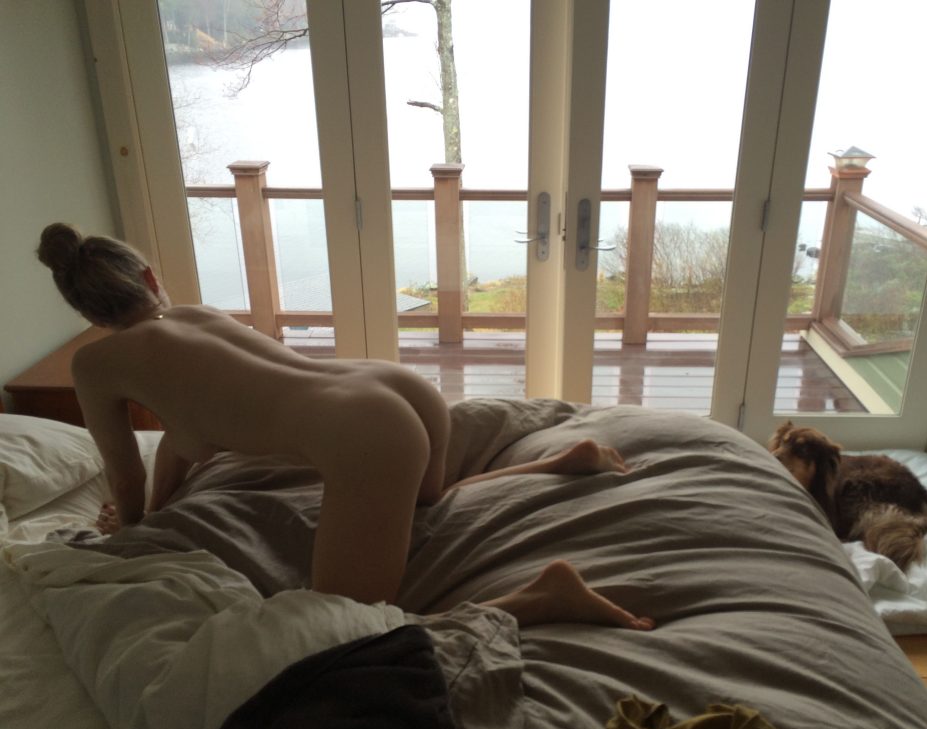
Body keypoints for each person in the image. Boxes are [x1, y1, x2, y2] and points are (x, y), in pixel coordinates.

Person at [37, 223, 654, 631]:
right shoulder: (199, 315)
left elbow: (125, 473)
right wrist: (156, 508)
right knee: (428, 499)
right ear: (149, 278)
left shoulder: (96, 364)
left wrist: (131, 523)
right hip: (394, 386)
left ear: (83, 309)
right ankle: (562, 463)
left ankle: (541, 598)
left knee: (339, 623)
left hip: (364, 432)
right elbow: (182, 438)